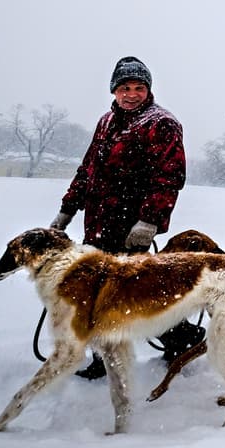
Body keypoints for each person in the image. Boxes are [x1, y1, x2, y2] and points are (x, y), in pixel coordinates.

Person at [49, 56, 203, 377]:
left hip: (132, 228)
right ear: (114, 91)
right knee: (106, 292)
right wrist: (66, 210)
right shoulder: (106, 122)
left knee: (128, 295)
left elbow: (169, 177)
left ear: (148, 90)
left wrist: (148, 221)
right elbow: (87, 170)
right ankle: (115, 353)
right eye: (124, 88)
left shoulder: (162, 123)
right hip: (98, 224)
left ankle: (179, 338)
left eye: (138, 88)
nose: (131, 94)